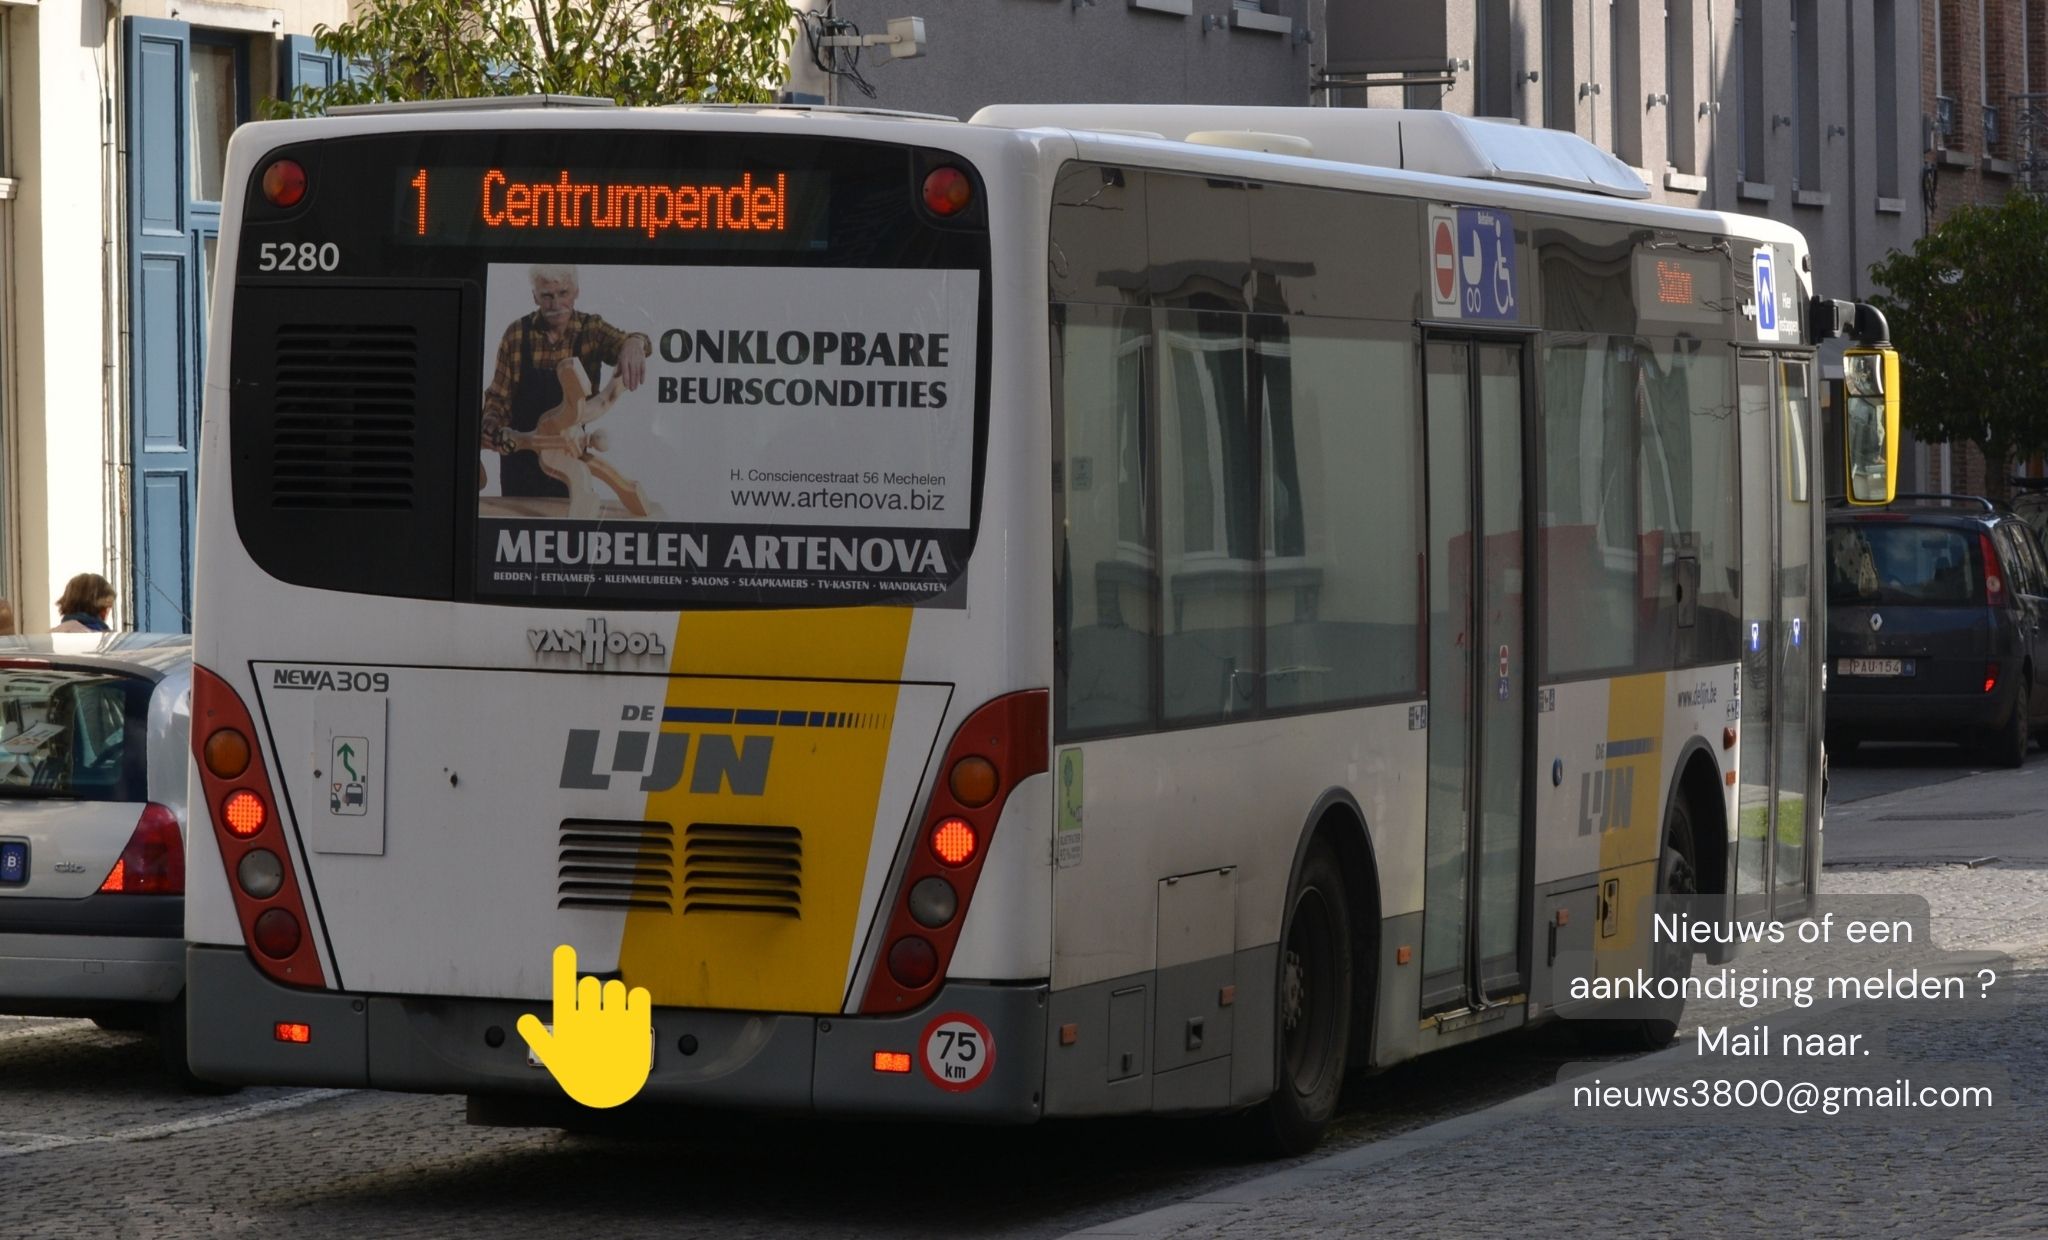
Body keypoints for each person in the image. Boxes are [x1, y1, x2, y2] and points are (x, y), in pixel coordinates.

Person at [480, 265, 651, 499]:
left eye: (563, 293)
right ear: (535, 296)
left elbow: (629, 342)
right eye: (547, 296)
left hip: (570, 456)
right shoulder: (517, 334)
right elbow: (499, 398)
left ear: (576, 291)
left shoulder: (592, 330)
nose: (556, 304)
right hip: (520, 460)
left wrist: (635, 343)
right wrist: (489, 424)